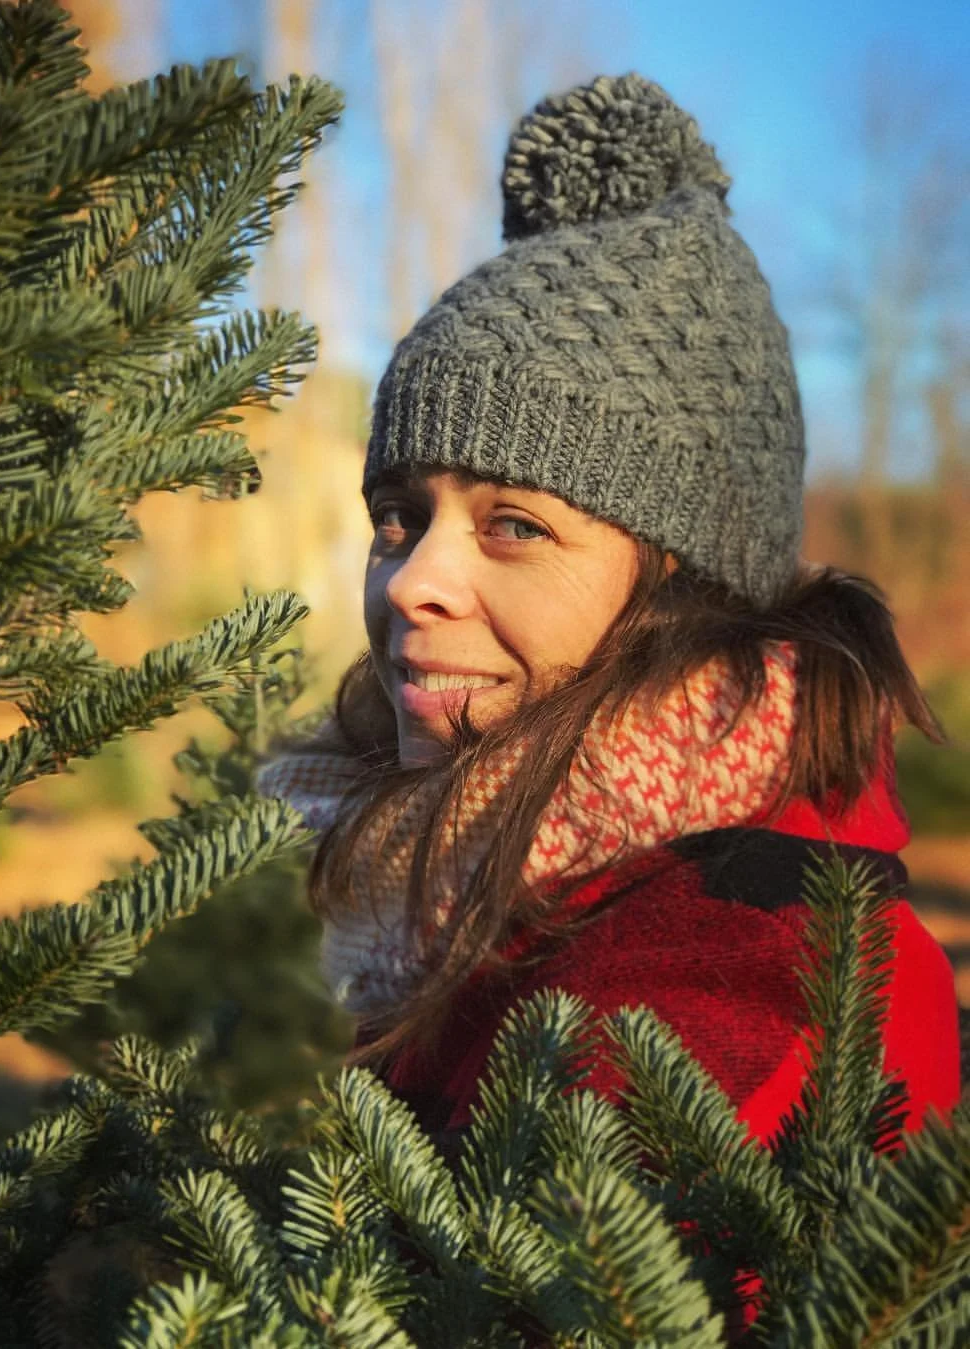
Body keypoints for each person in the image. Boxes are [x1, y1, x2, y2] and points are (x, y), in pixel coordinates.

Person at [258, 73, 961, 1150]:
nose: (407, 581)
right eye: (399, 515)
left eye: (516, 525)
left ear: (692, 583)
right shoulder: (477, 894)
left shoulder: (749, 977)